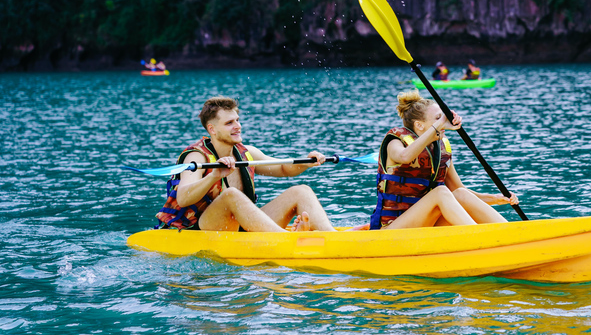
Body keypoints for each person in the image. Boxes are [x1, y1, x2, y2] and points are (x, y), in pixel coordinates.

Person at [155, 96, 334, 232]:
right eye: (229, 123)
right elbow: (183, 198)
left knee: (301, 191)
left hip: (239, 227)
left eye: (238, 120)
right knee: (230, 195)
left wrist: (307, 162)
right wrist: (214, 176)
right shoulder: (196, 157)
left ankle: (332, 236)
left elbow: (282, 168)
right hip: (201, 230)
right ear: (212, 129)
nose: (238, 126)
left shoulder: (246, 152)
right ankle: (286, 239)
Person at [369, 90, 519, 230]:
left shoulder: (440, 150)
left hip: (425, 224)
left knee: (460, 194)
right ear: (419, 125)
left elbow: (459, 191)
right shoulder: (395, 142)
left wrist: (496, 198)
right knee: (440, 192)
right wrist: (439, 125)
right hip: (392, 227)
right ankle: (480, 237)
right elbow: (405, 157)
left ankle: (509, 233)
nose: (444, 122)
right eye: (438, 118)